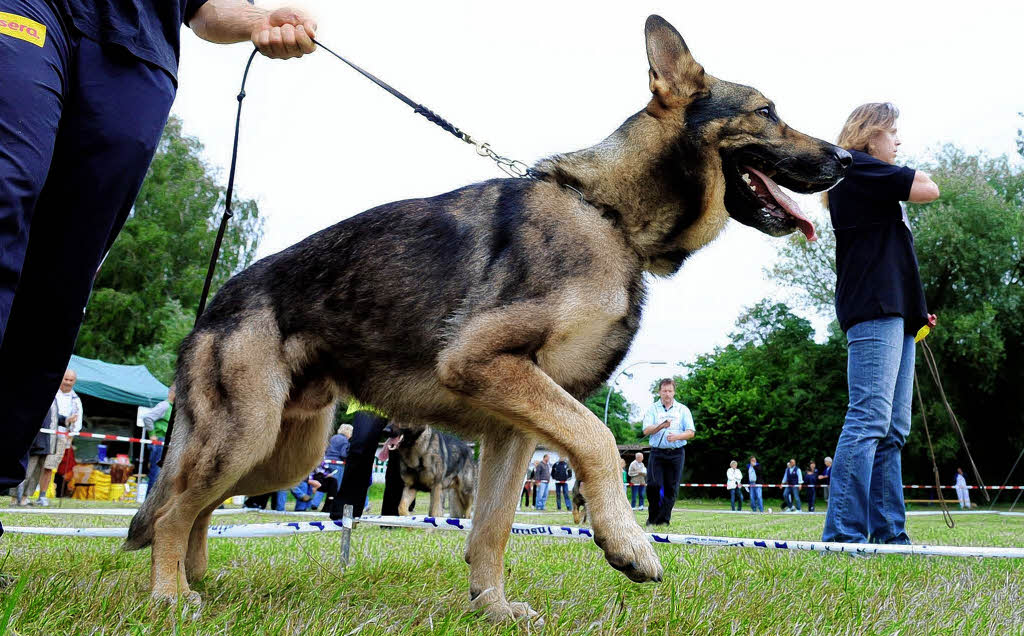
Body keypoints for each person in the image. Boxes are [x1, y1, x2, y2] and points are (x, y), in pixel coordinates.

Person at [0, 0, 319, 536]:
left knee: (62, 275)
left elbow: (203, 7)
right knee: (5, 193)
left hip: (135, 46)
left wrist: (258, 21)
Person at [822, 102, 941, 544]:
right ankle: (843, 535)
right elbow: (929, 187)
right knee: (868, 419)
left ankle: (891, 536)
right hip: (874, 307)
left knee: (893, 429)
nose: (899, 141)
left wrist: (917, 310)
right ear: (870, 134)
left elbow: (895, 259)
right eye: (893, 132)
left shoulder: (871, 178)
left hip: (899, 312)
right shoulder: (858, 169)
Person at [642, 378, 695, 526]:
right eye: (664, 391)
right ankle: (652, 517)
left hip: (677, 453)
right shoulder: (653, 409)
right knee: (653, 485)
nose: (667, 394)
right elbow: (646, 430)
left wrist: (677, 436)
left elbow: (691, 432)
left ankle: (664, 519)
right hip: (657, 453)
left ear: (674, 392)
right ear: (659, 392)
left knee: (671, 488)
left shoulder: (683, 409)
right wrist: (661, 426)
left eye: (670, 391)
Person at [32, 369, 83, 505]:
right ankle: (23, 495)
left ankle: (42, 495)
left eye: (70, 380)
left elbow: (77, 423)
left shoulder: (76, 400)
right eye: (65, 379)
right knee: (34, 465)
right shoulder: (51, 393)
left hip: (61, 437)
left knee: (49, 467)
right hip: (43, 435)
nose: (67, 382)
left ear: (74, 382)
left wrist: (70, 438)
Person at [13, 400, 57, 505]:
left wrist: (65, 419)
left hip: (46, 441)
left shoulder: (55, 400)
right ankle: (14, 498)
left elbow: (54, 418)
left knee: (35, 474)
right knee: (26, 471)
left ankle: (24, 498)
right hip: (34, 442)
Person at [140, 384, 175, 487]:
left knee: (165, 475)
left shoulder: (174, 408)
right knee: (156, 474)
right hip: (160, 442)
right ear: (172, 393)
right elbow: (147, 418)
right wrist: (152, 435)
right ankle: (150, 501)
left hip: (168, 444)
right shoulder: (164, 405)